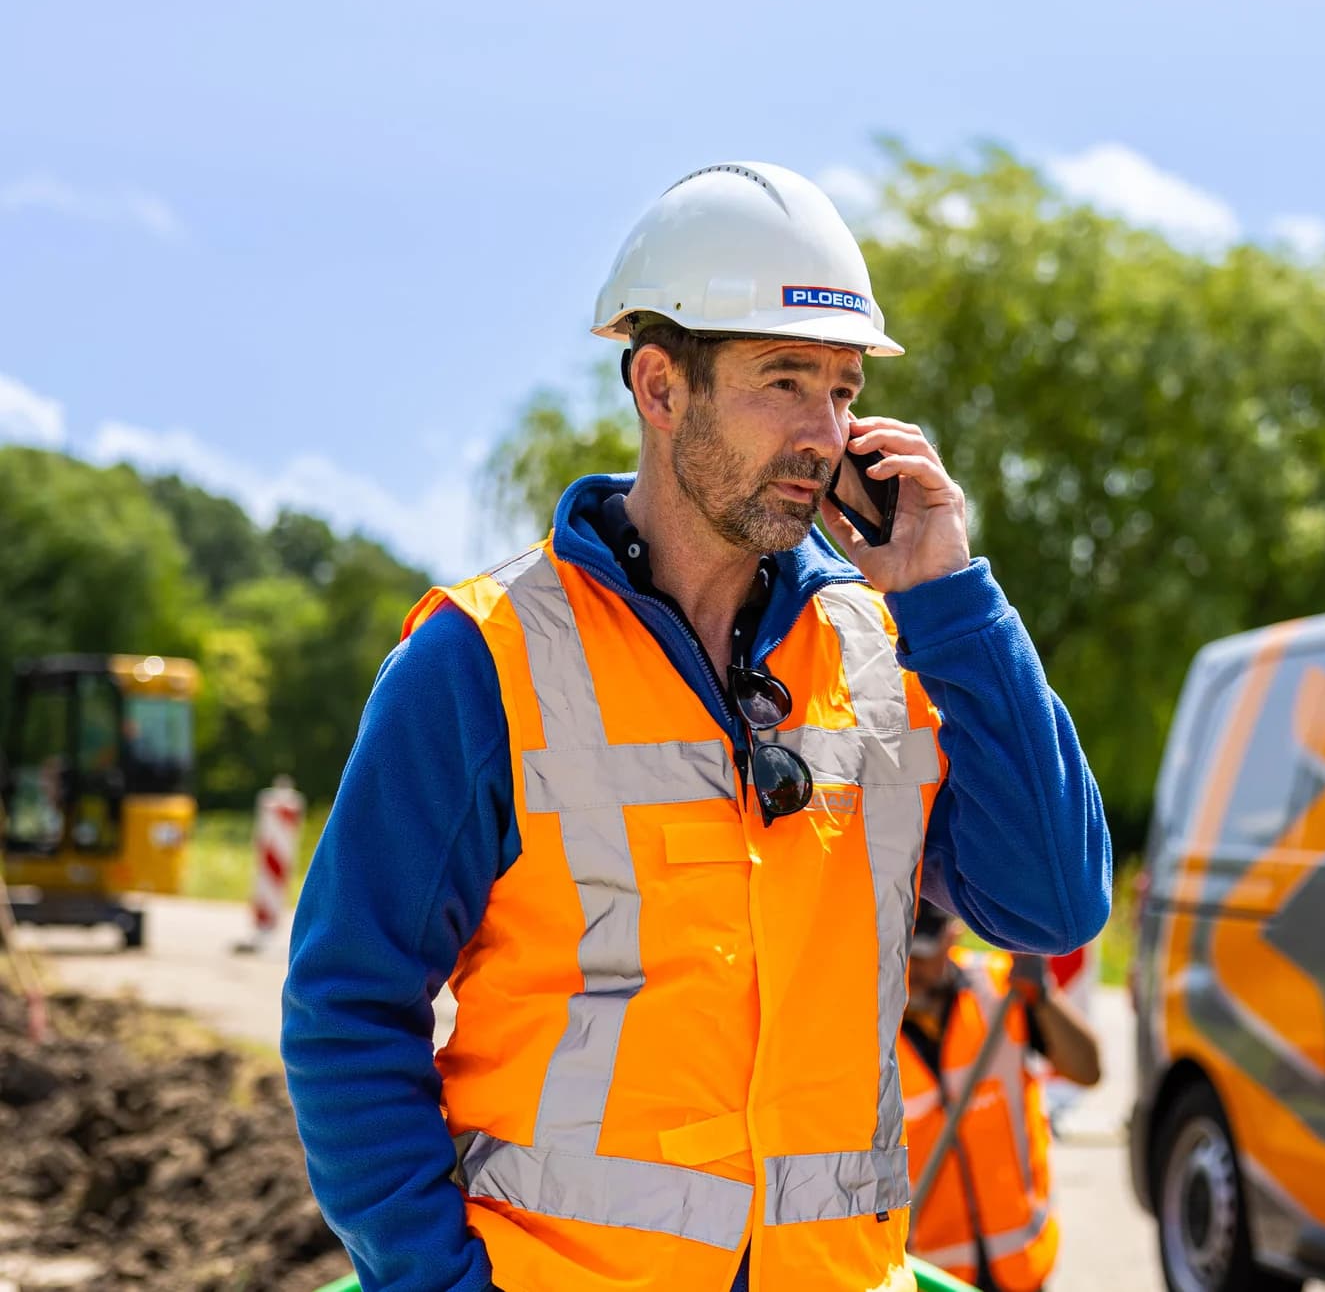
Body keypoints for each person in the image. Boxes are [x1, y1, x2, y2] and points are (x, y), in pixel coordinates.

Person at [281, 161, 1113, 1292]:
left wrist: (953, 601)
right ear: (660, 386)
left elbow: (1051, 905)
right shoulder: (478, 661)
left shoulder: (891, 649)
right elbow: (347, 1009)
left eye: (844, 390)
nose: (825, 434)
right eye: (784, 382)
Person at [900, 902, 1100, 1292]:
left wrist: (1042, 997)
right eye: (903, 954)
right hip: (932, 1277)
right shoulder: (868, 1027)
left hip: (1021, 1270)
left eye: (923, 954)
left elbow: (1088, 1069)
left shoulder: (999, 990)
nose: (912, 970)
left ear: (951, 937)